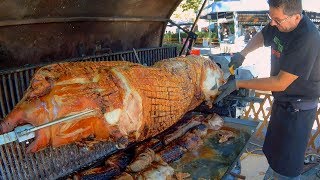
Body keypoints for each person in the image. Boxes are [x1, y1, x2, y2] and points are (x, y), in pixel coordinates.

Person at [216, 0, 320, 179]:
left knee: (287, 166)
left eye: (277, 20)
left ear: (296, 16)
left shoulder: (306, 37)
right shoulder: (280, 23)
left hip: (298, 110)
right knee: (272, 153)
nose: (272, 23)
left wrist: (238, 83)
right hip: (282, 102)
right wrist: (243, 53)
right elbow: (264, 35)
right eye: (270, 17)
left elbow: (280, 82)